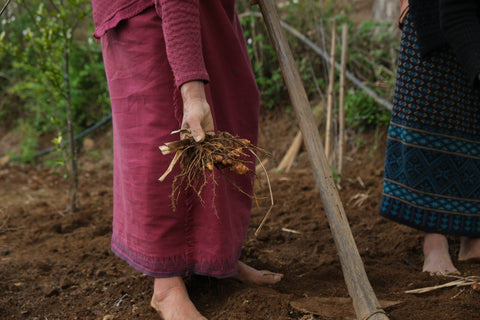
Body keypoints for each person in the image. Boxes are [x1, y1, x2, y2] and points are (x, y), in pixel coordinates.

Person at [90, 0, 283, 318]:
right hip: (149, 11)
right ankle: (166, 287)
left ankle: (217, 257)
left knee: (229, 117)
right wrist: (192, 92)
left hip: (207, 8)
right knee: (162, 135)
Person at [380, 0, 480, 276]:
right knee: (431, 122)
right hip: (435, 14)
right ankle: (434, 241)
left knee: (475, 125)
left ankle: (473, 236)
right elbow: (456, 13)